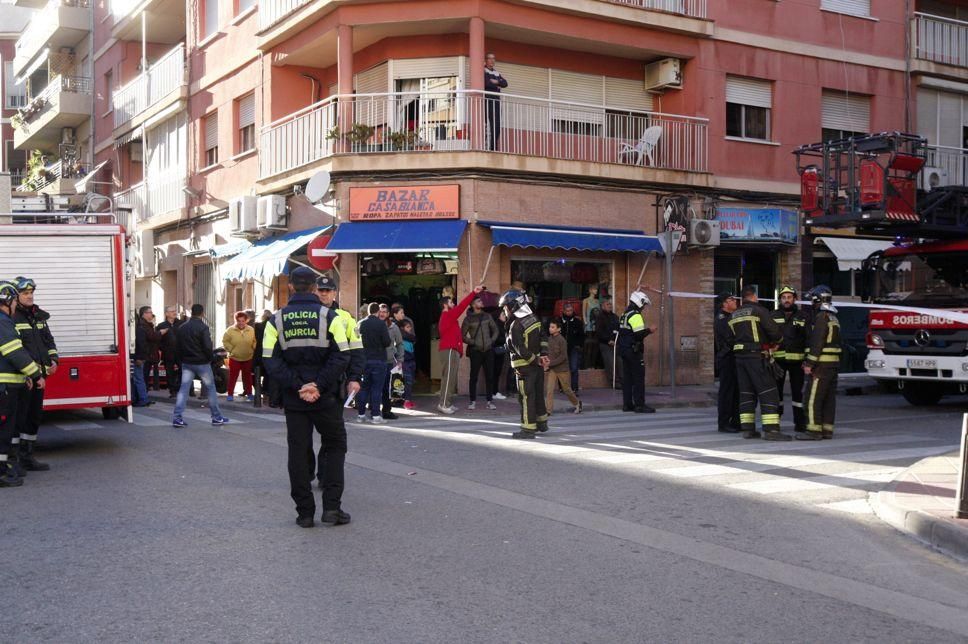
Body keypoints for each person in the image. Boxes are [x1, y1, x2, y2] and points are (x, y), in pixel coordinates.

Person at [262, 267, 351, 528]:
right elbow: (342, 355)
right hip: (326, 398)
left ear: (291, 286)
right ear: (314, 287)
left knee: (298, 453)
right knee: (335, 447)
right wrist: (318, 385)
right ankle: (332, 509)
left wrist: (298, 385)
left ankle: (304, 513)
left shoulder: (275, 320)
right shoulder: (330, 316)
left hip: (294, 399)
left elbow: (269, 359)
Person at [314, 275, 364, 487]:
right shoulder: (308, 314)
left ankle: (325, 475)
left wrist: (354, 378)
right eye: (320, 290)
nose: (324, 294)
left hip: (335, 383)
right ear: (314, 291)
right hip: (308, 380)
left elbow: (357, 351)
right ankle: (305, 470)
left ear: (335, 293)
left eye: (328, 290)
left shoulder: (345, 317)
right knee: (302, 436)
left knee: (331, 433)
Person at [728, 286, 789, 441]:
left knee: (746, 393)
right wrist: (777, 342)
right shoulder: (759, 311)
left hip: (740, 359)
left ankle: (748, 429)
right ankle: (771, 431)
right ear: (754, 297)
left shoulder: (733, 315)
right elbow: (775, 332)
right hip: (757, 357)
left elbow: (729, 338)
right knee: (768, 392)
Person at [11, 276, 57, 471]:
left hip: (40, 378)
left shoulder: (37, 315)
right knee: (17, 419)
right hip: (24, 378)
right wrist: (29, 372)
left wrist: (54, 359)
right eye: (25, 293)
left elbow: (48, 339)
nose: (29, 296)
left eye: (31, 293)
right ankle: (14, 461)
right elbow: (15, 350)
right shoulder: (12, 318)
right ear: (16, 295)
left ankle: (28, 457)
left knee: (33, 417)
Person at [0, 280, 43, 487]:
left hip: (9, 384)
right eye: (15, 300)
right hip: (4, 388)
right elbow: (14, 352)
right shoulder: (3, 322)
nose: (16, 305)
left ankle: (8, 467)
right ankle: (2, 473)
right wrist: (35, 374)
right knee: (4, 430)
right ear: (7, 301)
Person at [500, 288, 549, 439]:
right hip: (538, 366)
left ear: (512, 306)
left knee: (526, 396)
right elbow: (543, 337)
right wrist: (543, 356)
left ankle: (528, 429)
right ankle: (542, 423)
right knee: (538, 394)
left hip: (524, 368)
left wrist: (535, 359)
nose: (504, 311)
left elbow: (518, 348)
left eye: (505, 307)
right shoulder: (533, 318)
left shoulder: (515, 325)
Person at [171, 304, 228, 428]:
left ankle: (177, 417)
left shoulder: (182, 327)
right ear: (202, 313)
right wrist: (210, 358)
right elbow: (207, 347)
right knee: (211, 389)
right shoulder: (203, 327)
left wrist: (181, 360)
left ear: (192, 312)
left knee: (183, 389)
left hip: (187, 362)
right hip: (202, 363)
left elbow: (177, 347)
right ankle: (216, 417)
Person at [798, 286, 841, 441]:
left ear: (817, 299)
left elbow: (817, 342)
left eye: (812, 299)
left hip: (821, 366)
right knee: (829, 399)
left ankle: (814, 430)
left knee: (813, 398)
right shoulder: (833, 317)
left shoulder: (821, 317)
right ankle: (827, 429)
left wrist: (809, 363)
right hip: (833, 365)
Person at [437, 286, 483, 414]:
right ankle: (444, 404)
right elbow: (462, 306)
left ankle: (447, 402)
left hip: (452, 350)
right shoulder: (447, 314)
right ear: (446, 305)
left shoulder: (449, 316)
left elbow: (456, 336)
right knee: (448, 378)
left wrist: (460, 351)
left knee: (450, 378)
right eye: (451, 302)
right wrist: (473, 292)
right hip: (449, 350)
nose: (454, 304)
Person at [772, 286, 809, 433]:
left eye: (789, 297)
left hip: (797, 361)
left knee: (797, 394)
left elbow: (808, 338)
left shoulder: (803, 316)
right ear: (780, 299)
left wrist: (807, 359)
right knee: (776, 393)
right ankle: (775, 423)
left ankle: (800, 424)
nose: (786, 300)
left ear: (794, 299)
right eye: (784, 297)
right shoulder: (773, 315)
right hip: (778, 361)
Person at [617, 290, 657, 413]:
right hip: (633, 351)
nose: (644, 307)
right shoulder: (635, 315)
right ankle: (640, 405)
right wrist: (650, 330)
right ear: (639, 302)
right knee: (638, 378)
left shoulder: (625, 314)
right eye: (644, 304)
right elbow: (638, 334)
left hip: (624, 350)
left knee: (628, 378)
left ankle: (627, 404)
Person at [461, 295, 500, 410]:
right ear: (473, 304)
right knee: (473, 376)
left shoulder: (487, 316)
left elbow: (495, 330)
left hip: (488, 350)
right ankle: (472, 401)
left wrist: (491, 341)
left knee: (490, 376)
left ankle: (489, 401)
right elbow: (462, 335)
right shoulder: (468, 319)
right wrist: (473, 342)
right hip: (475, 351)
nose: (481, 302)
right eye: (478, 301)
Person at [356, 302, 391, 423]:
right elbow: (387, 342)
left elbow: (356, 341)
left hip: (364, 359)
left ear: (368, 311)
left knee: (364, 388)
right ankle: (376, 416)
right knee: (377, 388)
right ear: (377, 312)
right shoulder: (381, 324)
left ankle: (361, 415)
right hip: (379, 359)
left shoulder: (360, 324)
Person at [714, 292, 741, 433]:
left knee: (736, 392)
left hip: (734, 358)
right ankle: (723, 423)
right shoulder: (722, 318)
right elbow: (731, 338)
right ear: (724, 303)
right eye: (731, 299)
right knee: (726, 392)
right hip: (727, 358)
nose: (734, 301)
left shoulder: (732, 316)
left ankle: (736, 421)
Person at [545, 319, 582, 415]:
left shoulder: (562, 340)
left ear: (559, 329)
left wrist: (550, 363)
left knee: (567, 390)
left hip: (562, 369)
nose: (550, 329)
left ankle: (577, 403)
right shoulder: (549, 339)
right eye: (550, 327)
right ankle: (548, 410)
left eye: (553, 327)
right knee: (549, 390)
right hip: (553, 369)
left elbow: (563, 357)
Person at [222, 311, 257, 402]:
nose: (241, 323)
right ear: (236, 321)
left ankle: (249, 393)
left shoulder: (251, 330)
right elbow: (225, 341)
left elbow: (254, 340)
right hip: (235, 357)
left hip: (248, 357)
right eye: (239, 321)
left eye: (243, 321)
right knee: (233, 377)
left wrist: (253, 347)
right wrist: (231, 350)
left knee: (247, 377)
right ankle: (230, 394)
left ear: (246, 321)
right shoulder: (230, 330)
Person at [380, 304, 404, 420]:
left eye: (385, 311)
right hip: (375, 360)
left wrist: (400, 360)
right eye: (380, 311)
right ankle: (372, 410)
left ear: (388, 313)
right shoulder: (374, 325)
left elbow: (400, 344)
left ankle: (386, 410)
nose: (382, 314)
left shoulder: (393, 327)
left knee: (386, 388)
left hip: (388, 361)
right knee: (374, 387)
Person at [132, 306, 159, 407]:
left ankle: (142, 398)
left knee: (140, 378)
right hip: (141, 356)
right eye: (149, 312)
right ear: (144, 314)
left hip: (145, 356)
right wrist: (139, 357)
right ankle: (142, 399)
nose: (151, 314)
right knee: (139, 378)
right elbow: (141, 343)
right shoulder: (141, 326)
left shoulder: (145, 325)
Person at [595, 299, 622, 389]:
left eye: (610, 304)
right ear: (603, 306)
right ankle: (615, 383)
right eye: (607, 304)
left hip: (616, 343)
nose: (610, 306)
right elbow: (599, 332)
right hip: (605, 344)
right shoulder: (600, 317)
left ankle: (622, 381)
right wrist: (608, 340)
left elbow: (619, 329)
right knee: (610, 363)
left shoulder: (615, 317)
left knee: (620, 362)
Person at [156, 306, 182, 399]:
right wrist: (163, 348)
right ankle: (173, 390)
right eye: (172, 311)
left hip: (180, 352)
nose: (174, 313)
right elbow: (157, 339)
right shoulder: (161, 325)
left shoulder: (181, 324)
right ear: (166, 314)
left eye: (175, 311)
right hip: (168, 353)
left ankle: (180, 388)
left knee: (183, 370)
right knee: (169, 372)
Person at [484, 53, 508, 151]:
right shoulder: (483, 71)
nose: (492, 60)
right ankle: (485, 146)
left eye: (494, 58)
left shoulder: (497, 73)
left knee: (497, 125)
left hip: (496, 101)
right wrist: (497, 83)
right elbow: (486, 83)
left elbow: (505, 83)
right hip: (487, 99)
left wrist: (497, 82)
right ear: (486, 60)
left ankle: (493, 148)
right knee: (486, 125)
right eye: (490, 58)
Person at [560, 302, 585, 393]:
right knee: (562, 369)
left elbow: (581, 335)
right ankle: (562, 387)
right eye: (567, 311)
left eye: (570, 310)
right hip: (562, 349)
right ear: (564, 311)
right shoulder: (559, 321)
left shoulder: (577, 322)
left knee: (574, 368)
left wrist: (579, 346)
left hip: (574, 348)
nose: (569, 312)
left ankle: (574, 388)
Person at [399, 318, 417, 409]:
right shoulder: (401, 338)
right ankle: (406, 401)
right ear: (402, 328)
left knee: (410, 381)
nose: (410, 329)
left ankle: (408, 400)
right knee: (407, 382)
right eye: (407, 327)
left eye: (410, 327)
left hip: (410, 362)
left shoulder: (410, 338)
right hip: (405, 362)